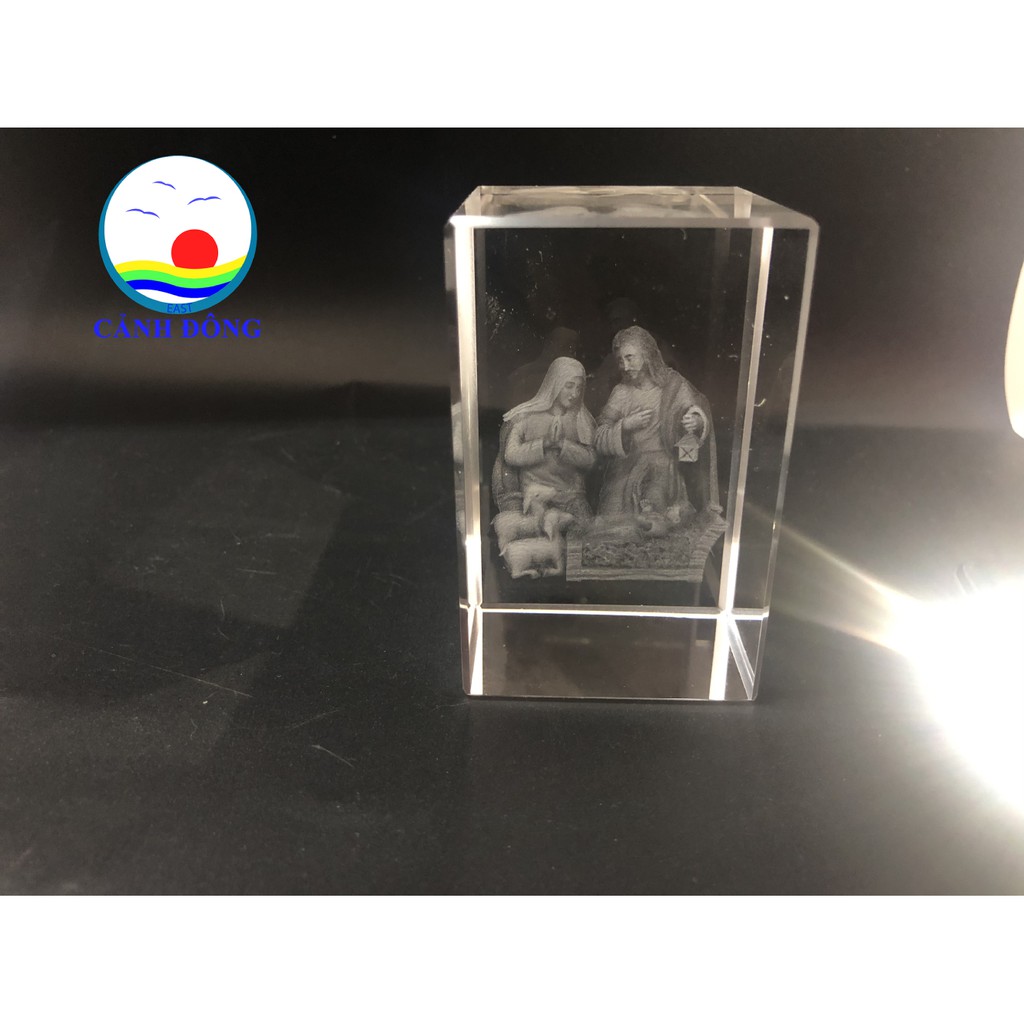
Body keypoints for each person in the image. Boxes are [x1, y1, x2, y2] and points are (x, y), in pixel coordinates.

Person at [594, 326, 720, 522]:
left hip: (662, 468)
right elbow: (599, 436)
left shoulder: (673, 386)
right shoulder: (621, 392)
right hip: (625, 471)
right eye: (620, 360)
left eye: (630, 358)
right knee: (612, 519)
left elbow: (695, 409)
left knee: (655, 513)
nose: (625, 366)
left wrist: (696, 421)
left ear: (646, 355)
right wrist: (625, 425)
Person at [492, 357, 596, 577]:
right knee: (536, 541)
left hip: (571, 498)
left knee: (584, 539)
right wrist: (544, 444)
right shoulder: (525, 417)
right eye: (569, 386)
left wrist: (563, 446)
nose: (574, 393)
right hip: (535, 499)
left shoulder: (581, 419)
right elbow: (510, 455)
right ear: (555, 384)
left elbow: (590, 459)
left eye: (579, 388)